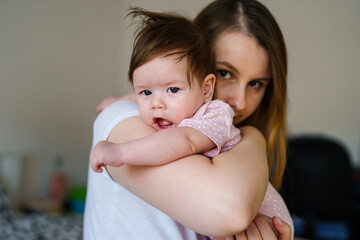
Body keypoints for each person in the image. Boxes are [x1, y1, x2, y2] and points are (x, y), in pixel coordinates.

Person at [85, 0, 293, 239]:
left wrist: (253, 138)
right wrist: (253, 139)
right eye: (225, 73)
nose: (240, 102)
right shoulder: (126, 119)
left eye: (255, 84)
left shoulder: (216, 124)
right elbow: (229, 211)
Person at [90, 9, 241, 172]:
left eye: (173, 89)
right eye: (146, 92)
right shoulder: (166, 105)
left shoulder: (217, 114)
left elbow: (185, 141)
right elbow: (139, 97)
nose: (156, 104)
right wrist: (118, 102)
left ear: (206, 89)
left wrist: (120, 152)